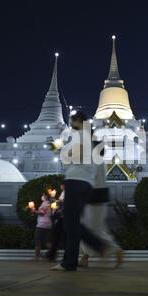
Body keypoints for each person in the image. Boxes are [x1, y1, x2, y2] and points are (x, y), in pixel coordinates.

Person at [50, 111, 111, 272]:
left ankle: (95, 247)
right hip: (85, 183)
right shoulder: (88, 136)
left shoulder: (81, 135)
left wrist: (62, 150)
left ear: (78, 121)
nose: (70, 123)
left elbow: (74, 156)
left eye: (72, 120)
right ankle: (70, 261)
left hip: (75, 180)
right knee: (71, 223)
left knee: (71, 224)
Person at [79, 162, 124, 268]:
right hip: (96, 196)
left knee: (90, 228)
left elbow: (90, 177)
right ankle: (85, 257)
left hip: (93, 197)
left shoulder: (93, 160)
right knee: (88, 227)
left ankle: (115, 249)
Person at [45, 184, 65, 261]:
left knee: (57, 236)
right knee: (56, 236)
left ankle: (51, 254)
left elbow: (61, 202)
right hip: (59, 216)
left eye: (62, 185)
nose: (61, 186)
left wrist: (54, 200)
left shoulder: (65, 193)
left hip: (62, 217)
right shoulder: (63, 193)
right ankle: (51, 254)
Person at [32, 190, 54, 260]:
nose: (42, 196)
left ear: (45, 196)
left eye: (43, 195)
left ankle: (36, 257)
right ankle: (52, 254)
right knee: (47, 241)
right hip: (49, 224)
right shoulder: (50, 203)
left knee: (37, 240)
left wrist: (34, 211)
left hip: (41, 225)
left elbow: (42, 213)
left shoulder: (45, 203)